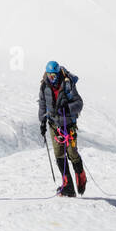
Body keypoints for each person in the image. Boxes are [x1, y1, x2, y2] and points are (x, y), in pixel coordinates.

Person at [38, 60, 86, 196]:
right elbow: (42, 105)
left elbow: (79, 103)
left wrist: (68, 108)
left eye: (53, 75)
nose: (51, 78)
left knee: (72, 153)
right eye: (49, 75)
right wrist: (42, 121)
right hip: (54, 125)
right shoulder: (44, 86)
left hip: (69, 124)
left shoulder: (67, 84)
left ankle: (81, 177)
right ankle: (68, 187)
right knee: (59, 154)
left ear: (58, 73)